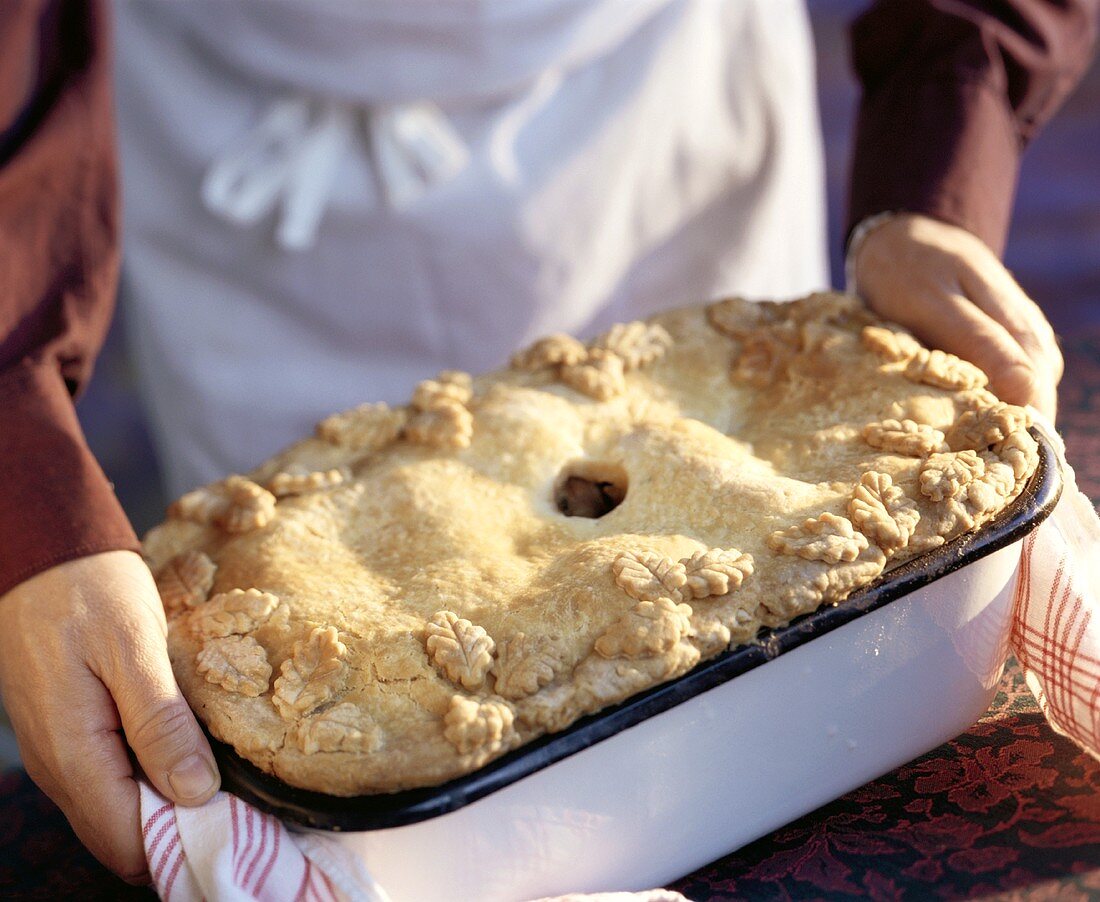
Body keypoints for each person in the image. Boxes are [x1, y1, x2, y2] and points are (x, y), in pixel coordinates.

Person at [0, 0, 1094, 885]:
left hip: (652, 124)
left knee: (786, 549)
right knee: (259, 650)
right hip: (233, 124)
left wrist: (944, 147)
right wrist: (23, 468)